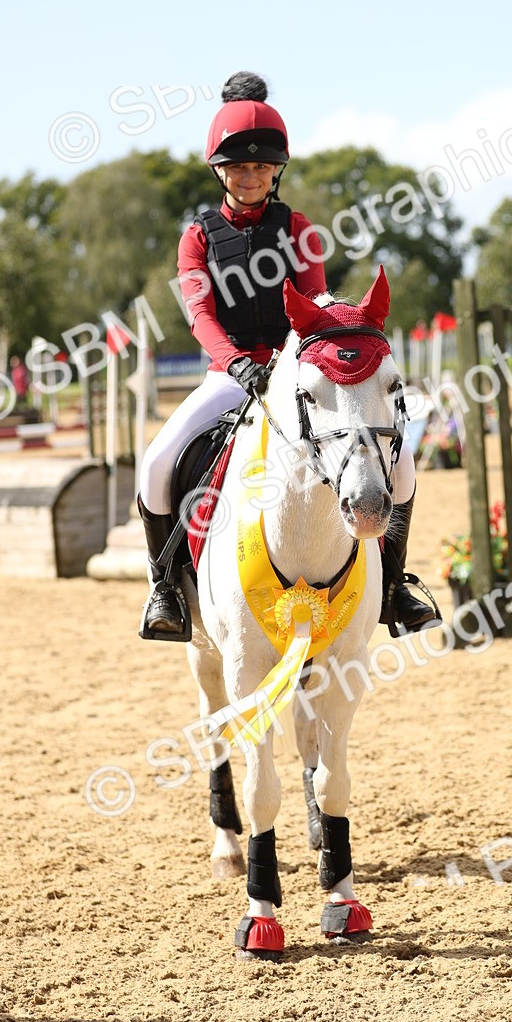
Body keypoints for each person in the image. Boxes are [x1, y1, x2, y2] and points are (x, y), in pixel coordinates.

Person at [137, 71, 437, 641]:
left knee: (399, 466)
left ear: (275, 171)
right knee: (156, 465)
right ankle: (165, 589)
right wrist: (237, 363)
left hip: (297, 372)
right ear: (219, 170)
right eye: (238, 167)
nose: (250, 177)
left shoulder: (299, 229)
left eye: (261, 167)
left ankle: (394, 587)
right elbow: (200, 315)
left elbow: (317, 305)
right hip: (231, 375)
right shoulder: (197, 237)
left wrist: (294, 363)